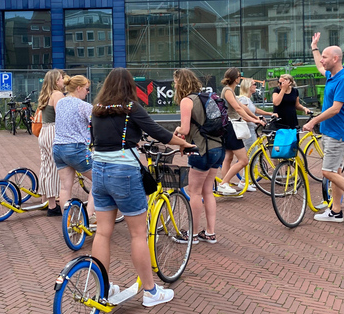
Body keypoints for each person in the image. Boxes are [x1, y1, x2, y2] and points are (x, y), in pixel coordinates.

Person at [91, 68, 195, 308]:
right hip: (123, 172)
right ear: (129, 86)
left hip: (99, 170)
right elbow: (159, 133)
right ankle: (150, 292)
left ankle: (101, 288)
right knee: (138, 234)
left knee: (103, 233)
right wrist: (184, 143)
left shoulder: (97, 109)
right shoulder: (130, 108)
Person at [302, 33, 344, 223]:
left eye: (325, 57)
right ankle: (336, 211)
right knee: (335, 172)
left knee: (327, 172)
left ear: (335, 59)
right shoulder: (332, 74)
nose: (322, 60)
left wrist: (313, 122)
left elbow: (336, 109)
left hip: (338, 133)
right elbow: (319, 66)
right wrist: (314, 47)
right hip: (330, 132)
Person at [173, 68, 223, 244]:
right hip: (218, 148)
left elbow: (185, 129)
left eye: (176, 81)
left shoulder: (187, 101)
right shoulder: (207, 97)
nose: (175, 84)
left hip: (201, 150)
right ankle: (210, 232)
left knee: (194, 192)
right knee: (208, 191)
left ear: (181, 82)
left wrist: (177, 130)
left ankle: (193, 234)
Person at [53, 74, 94, 224]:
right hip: (76, 148)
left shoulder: (61, 102)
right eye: (87, 89)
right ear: (79, 88)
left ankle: (68, 221)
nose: (88, 92)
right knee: (99, 180)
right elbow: (99, 121)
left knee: (65, 187)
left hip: (58, 148)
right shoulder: (83, 106)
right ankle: (88, 218)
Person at [217, 68, 263, 195]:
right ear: (235, 78)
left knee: (229, 157)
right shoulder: (227, 90)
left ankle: (225, 185)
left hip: (228, 126)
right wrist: (253, 121)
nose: (240, 77)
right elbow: (237, 108)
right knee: (244, 160)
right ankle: (223, 184)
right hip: (231, 127)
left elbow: (243, 107)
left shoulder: (230, 91)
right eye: (239, 76)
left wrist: (255, 118)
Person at [236, 78, 276, 192]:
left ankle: (247, 180)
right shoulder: (243, 99)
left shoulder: (248, 99)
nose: (255, 86)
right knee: (251, 155)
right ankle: (243, 181)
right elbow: (242, 115)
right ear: (249, 86)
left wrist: (267, 114)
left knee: (252, 155)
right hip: (247, 131)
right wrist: (254, 120)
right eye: (254, 84)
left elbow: (255, 110)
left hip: (251, 130)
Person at [37, 69, 65, 216]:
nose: (63, 80)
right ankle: (53, 206)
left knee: (46, 166)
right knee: (54, 169)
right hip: (54, 131)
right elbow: (61, 116)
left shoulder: (45, 95)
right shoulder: (57, 94)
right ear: (56, 81)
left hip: (44, 131)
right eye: (61, 78)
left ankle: (45, 199)